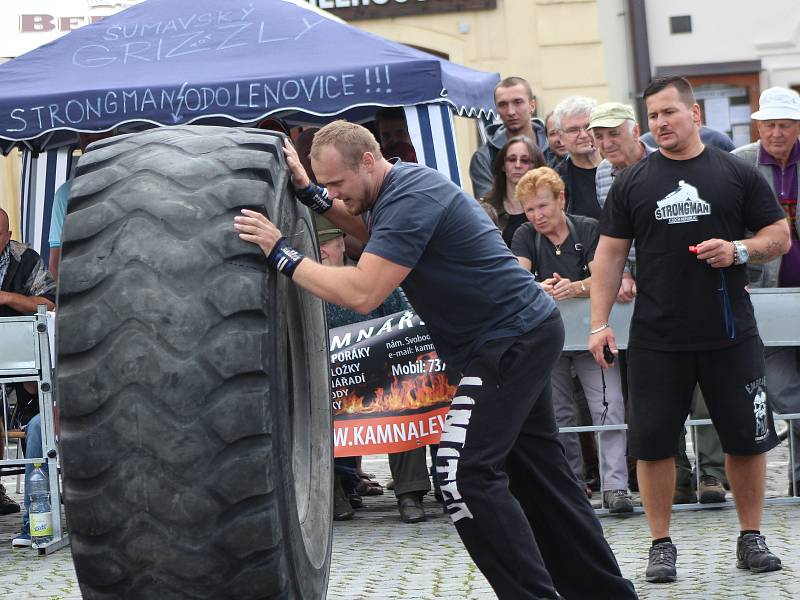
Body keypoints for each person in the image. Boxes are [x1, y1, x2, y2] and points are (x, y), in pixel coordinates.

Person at [234, 121, 637, 599]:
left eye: (337, 184)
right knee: (543, 481)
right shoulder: (398, 191)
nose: (333, 194)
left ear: (368, 160)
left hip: (508, 340)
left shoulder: (408, 197)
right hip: (517, 333)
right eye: (326, 186)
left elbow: (363, 292)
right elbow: (366, 228)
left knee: (460, 474)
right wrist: (310, 193)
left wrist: (283, 254)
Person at [589, 75, 790, 583]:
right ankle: (660, 544)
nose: (661, 123)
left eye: (669, 113)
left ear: (695, 114)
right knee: (653, 444)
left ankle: (750, 537)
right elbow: (609, 257)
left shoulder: (736, 173)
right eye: (653, 116)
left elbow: (779, 236)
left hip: (730, 333)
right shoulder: (634, 181)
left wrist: (739, 250)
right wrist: (597, 324)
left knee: (747, 440)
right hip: (658, 337)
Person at [590, 102, 728, 502]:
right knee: (660, 399)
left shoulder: (667, 165)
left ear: (636, 133)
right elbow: (615, 238)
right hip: (642, 295)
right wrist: (625, 274)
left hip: (694, 284)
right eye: (599, 136)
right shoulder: (604, 174)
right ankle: (680, 476)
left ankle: (712, 475)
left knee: (705, 395)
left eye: (613, 133)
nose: (606, 143)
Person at [511, 167, 633, 514]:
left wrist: (575, 287)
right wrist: (539, 287)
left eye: (542, 206)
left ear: (561, 199)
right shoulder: (524, 236)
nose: (537, 216)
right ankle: (573, 484)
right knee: (559, 414)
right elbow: (517, 279)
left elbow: (606, 276)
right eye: (530, 209)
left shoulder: (588, 228)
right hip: (548, 338)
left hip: (593, 330)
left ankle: (615, 485)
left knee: (608, 406)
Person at [318, 214, 431, 523]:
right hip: (326, 385)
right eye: (314, 246)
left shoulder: (369, 278)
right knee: (309, 410)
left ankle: (410, 492)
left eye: (325, 244)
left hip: (380, 377)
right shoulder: (304, 288)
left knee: (407, 398)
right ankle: (335, 490)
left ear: (341, 243)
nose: (321, 252)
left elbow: (406, 320)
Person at [733, 86, 800, 495]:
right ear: (758, 125)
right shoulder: (740, 164)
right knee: (780, 388)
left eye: (785, 125)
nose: (776, 132)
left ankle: (799, 476)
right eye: (770, 124)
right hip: (766, 293)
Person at [0, 208, 56, 538]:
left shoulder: (26, 259)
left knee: (35, 420)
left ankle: (38, 511)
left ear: (7, 236)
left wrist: (8, 297)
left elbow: (50, 305)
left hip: (24, 359)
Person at [48, 132, 116, 279]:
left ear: (113, 133)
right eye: (85, 135)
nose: (91, 138)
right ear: (80, 141)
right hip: (82, 286)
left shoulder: (132, 184)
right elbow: (55, 266)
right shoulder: (65, 193)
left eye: (99, 132)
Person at [469, 77, 548, 199]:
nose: (510, 111)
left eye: (518, 102)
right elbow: (489, 208)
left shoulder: (554, 146)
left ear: (532, 105)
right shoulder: (485, 157)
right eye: (503, 105)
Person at [481, 135, 546, 245]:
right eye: (511, 159)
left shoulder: (548, 206)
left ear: (536, 166)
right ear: (503, 165)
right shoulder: (486, 208)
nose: (518, 165)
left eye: (525, 160)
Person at [553, 96, 603, 219]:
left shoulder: (620, 165)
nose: (583, 135)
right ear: (560, 137)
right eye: (573, 130)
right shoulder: (556, 181)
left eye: (588, 127)